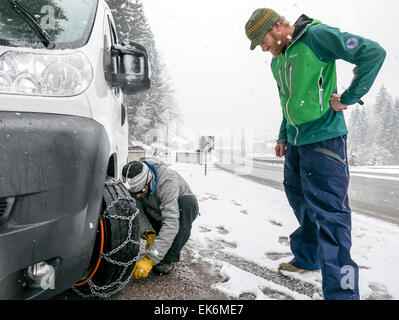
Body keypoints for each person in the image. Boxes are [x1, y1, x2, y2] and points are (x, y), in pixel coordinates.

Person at [245, 8, 386, 300]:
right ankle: (309, 256)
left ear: (277, 26)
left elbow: (373, 52)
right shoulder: (279, 60)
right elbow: (288, 101)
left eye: (262, 40)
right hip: (297, 145)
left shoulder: (317, 37)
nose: (262, 48)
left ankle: (343, 293)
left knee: (331, 217)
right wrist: (284, 134)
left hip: (325, 142)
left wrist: (348, 97)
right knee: (301, 202)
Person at [122, 160, 199, 279]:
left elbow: (171, 222)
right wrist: (148, 232)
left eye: (141, 191)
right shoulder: (134, 183)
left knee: (186, 205)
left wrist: (150, 259)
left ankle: (168, 259)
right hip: (157, 210)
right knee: (134, 206)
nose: (137, 196)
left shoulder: (167, 181)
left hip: (180, 209)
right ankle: (160, 245)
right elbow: (139, 211)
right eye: (134, 193)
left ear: (149, 180)